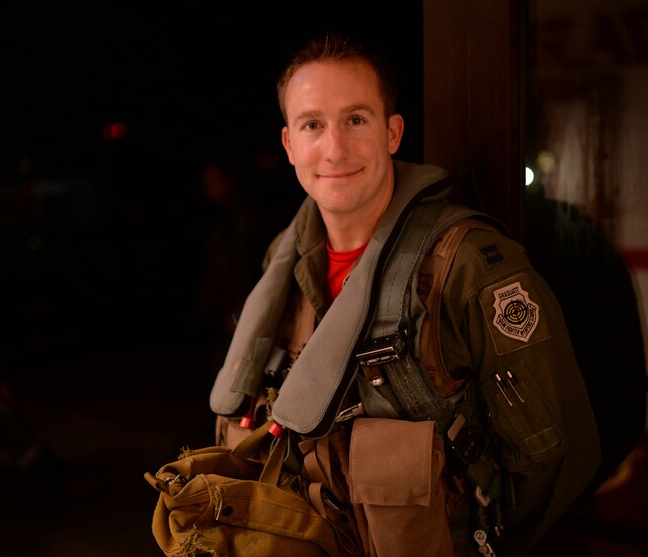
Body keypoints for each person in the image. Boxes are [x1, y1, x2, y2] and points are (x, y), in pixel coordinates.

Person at [208, 32, 601, 557]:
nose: (334, 149)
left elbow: (556, 457)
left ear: (392, 132)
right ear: (289, 145)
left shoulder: (467, 267)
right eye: (313, 125)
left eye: (356, 119)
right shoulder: (285, 258)